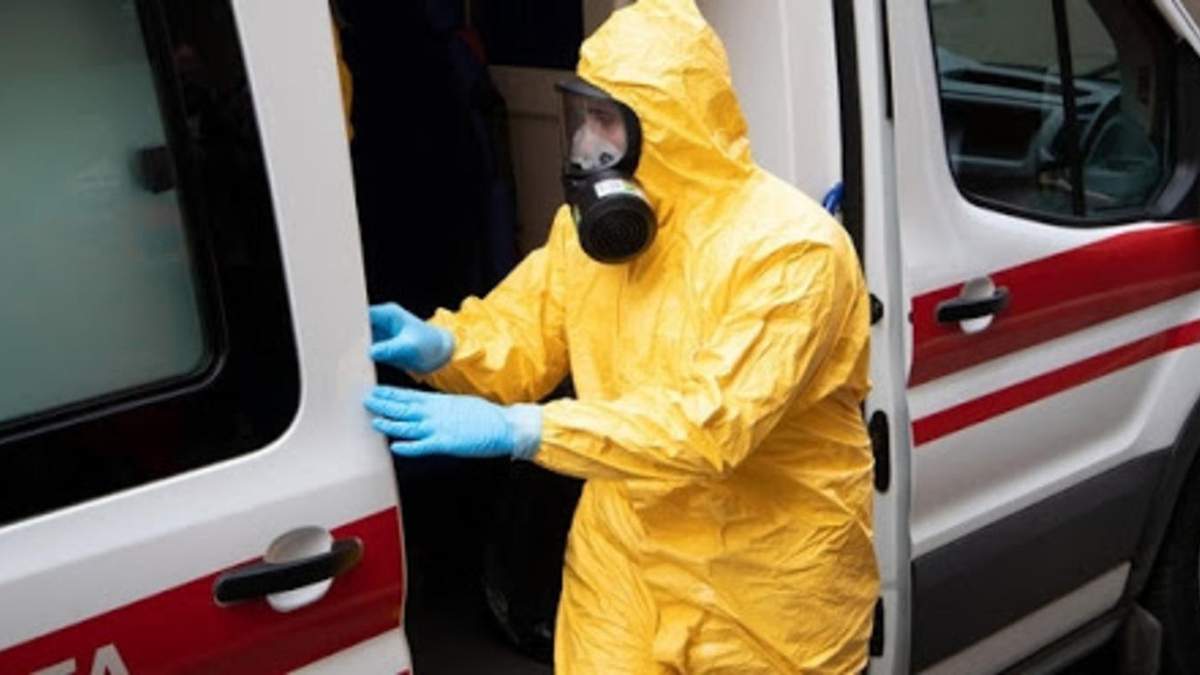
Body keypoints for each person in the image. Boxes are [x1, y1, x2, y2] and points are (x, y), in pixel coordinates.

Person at [364, 0, 878, 671]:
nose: (585, 143)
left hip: (767, 587)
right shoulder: (589, 237)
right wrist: (445, 346)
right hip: (623, 564)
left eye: (605, 121)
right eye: (581, 117)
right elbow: (523, 335)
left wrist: (527, 429)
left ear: (668, 123)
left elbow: (708, 427)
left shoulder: (790, 250)